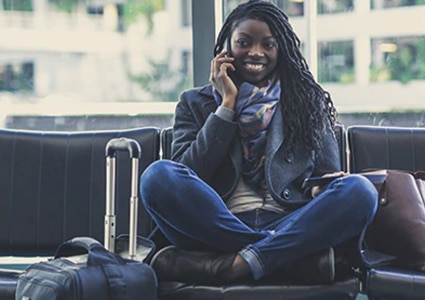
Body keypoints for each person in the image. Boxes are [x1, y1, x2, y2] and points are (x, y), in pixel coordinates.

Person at [140, 0, 378, 285]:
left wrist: (319, 187)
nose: (256, 52)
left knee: (360, 190)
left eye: (268, 44)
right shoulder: (194, 103)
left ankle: (231, 265)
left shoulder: (307, 102)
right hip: (213, 225)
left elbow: (323, 179)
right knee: (157, 176)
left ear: (283, 49)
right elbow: (188, 174)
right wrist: (226, 107)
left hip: (288, 221)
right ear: (226, 47)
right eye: (244, 42)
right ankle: (281, 258)